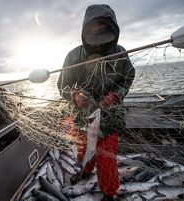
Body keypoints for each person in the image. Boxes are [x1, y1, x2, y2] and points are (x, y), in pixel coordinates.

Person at [57, 4, 135, 201]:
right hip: (84, 116)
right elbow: (63, 86)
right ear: (84, 32)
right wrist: (75, 96)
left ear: (114, 32)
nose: (98, 43)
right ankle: (85, 171)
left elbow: (128, 75)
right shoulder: (73, 56)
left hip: (111, 116)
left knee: (106, 157)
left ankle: (108, 194)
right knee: (85, 150)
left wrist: (117, 94)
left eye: (104, 34)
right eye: (93, 34)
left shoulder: (120, 53)